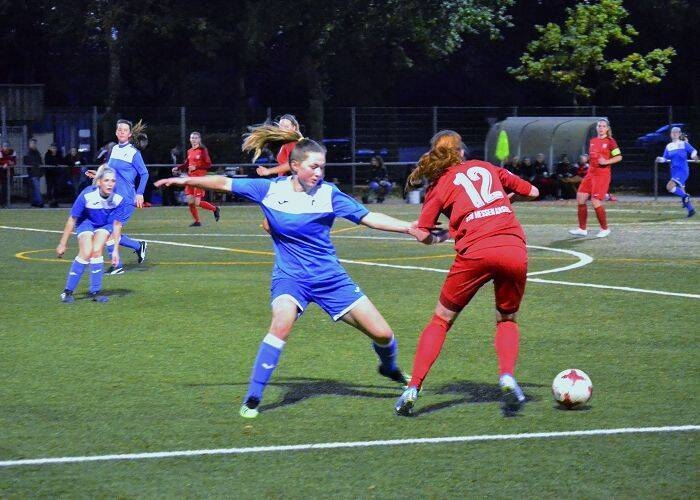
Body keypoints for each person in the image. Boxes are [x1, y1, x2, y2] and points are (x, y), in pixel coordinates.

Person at [156, 138, 424, 419]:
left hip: (330, 279)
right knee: (280, 324)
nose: (319, 173)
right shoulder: (270, 190)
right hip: (290, 277)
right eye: (313, 167)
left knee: (383, 334)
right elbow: (224, 183)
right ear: (295, 166)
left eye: (322, 167)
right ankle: (253, 397)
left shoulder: (329, 194)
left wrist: (408, 227)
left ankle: (389, 367)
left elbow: (369, 217)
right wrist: (186, 179)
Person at [394, 130, 539, 417]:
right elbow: (532, 191)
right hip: (512, 247)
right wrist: (501, 203)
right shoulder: (487, 167)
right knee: (506, 318)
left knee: (441, 320)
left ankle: (413, 387)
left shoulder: (437, 187)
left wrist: (436, 236)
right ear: (461, 152)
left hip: (475, 253)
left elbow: (424, 233)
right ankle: (507, 376)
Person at [56, 166, 128, 303]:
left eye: (113, 180)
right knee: (86, 252)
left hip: (104, 224)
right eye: (106, 180)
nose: (110, 183)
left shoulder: (118, 199)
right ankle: (67, 292)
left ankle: (95, 293)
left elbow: (117, 225)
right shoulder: (87, 194)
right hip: (86, 222)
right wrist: (62, 243)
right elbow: (72, 219)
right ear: (99, 182)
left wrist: (115, 251)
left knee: (96, 251)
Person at [100, 119, 149, 273]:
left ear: (129, 134)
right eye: (119, 129)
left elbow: (144, 173)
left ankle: (117, 266)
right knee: (106, 230)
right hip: (112, 198)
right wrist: (98, 176)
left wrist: (140, 193)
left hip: (126, 199)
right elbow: (112, 172)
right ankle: (137, 246)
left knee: (108, 232)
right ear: (116, 132)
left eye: (124, 130)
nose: (121, 132)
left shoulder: (133, 152)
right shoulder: (114, 149)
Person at [245, 114, 303, 233]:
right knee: (271, 225)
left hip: (291, 187)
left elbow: (291, 164)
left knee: (270, 224)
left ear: (294, 127)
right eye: (281, 125)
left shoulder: (293, 142)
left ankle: (295, 246)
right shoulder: (287, 142)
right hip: (284, 186)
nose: (282, 128)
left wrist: (268, 171)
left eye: (286, 126)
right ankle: (293, 246)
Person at [569, 119, 622, 238]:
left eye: (604, 126)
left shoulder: (611, 141)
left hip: (602, 175)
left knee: (595, 201)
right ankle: (582, 229)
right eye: (599, 126)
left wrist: (607, 161)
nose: (601, 128)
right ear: (597, 128)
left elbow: (619, 157)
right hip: (590, 174)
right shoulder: (592, 141)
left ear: (607, 129)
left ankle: (605, 228)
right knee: (580, 198)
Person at [172, 131, 220, 226]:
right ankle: (197, 221)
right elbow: (187, 164)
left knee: (197, 203)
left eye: (195, 138)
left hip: (199, 180)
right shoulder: (189, 151)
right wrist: (178, 168)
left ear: (199, 139)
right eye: (192, 138)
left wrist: (196, 167)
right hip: (190, 179)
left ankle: (215, 209)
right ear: (190, 139)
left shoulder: (203, 150)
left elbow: (208, 164)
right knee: (190, 201)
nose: (193, 140)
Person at [656, 126, 697, 217]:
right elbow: (665, 159)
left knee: (669, 187)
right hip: (674, 171)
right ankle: (691, 211)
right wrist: (660, 159)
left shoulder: (684, 144)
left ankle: (686, 196)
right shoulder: (669, 146)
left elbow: (693, 150)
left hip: (682, 171)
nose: (674, 134)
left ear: (679, 134)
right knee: (681, 191)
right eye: (672, 132)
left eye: (676, 132)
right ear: (670, 134)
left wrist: (694, 156)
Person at [23, 138, 44, 207]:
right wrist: (35, 164)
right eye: (32, 143)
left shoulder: (37, 152)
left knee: (35, 188)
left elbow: (40, 162)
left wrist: (40, 171)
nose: (34, 145)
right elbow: (27, 162)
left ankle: (35, 202)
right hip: (32, 173)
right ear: (30, 144)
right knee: (36, 188)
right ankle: (39, 202)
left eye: (35, 143)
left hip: (37, 173)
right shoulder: (28, 153)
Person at [44, 143, 65, 208]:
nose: (54, 150)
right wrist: (56, 164)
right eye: (52, 148)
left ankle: (55, 201)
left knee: (56, 188)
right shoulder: (47, 154)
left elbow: (62, 161)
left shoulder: (59, 154)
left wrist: (56, 164)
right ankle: (49, 201)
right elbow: (48, 162)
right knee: (49, 188)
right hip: (49, 174)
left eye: (55, 148)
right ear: (50, 149)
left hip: (57, 174)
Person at [0, 142, 17, 207]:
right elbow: (1, 161)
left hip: (10, 173)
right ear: (2, 147)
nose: (6, 148)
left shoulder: (13, 152)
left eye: (7, 146)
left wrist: (7, 163)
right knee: (3, 188)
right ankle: (2, 203)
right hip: (2, 173)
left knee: (7, 188)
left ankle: (6, 202)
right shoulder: (1, 152)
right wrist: (7, 162)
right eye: (4, 146)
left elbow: (14, 162)